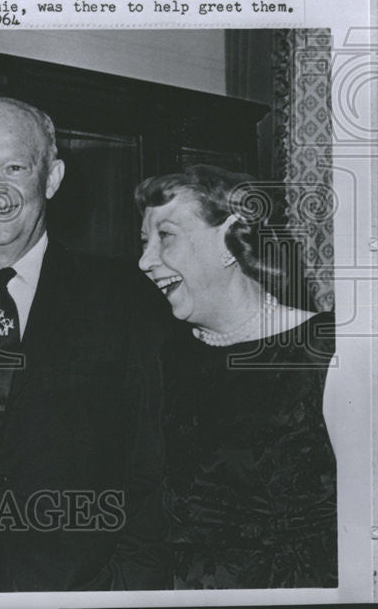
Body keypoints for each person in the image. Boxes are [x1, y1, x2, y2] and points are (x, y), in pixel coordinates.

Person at [0, 97, 170, 591]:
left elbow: (150, 464)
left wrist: (129, 589)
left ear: (53, 178)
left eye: (14, 167)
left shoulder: (126, 299)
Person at [135, 164, 337, 588]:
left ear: (229, 239)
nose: (145, 260)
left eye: (166, 236)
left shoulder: (326, 346)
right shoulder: (165, 355)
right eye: (144, 241)